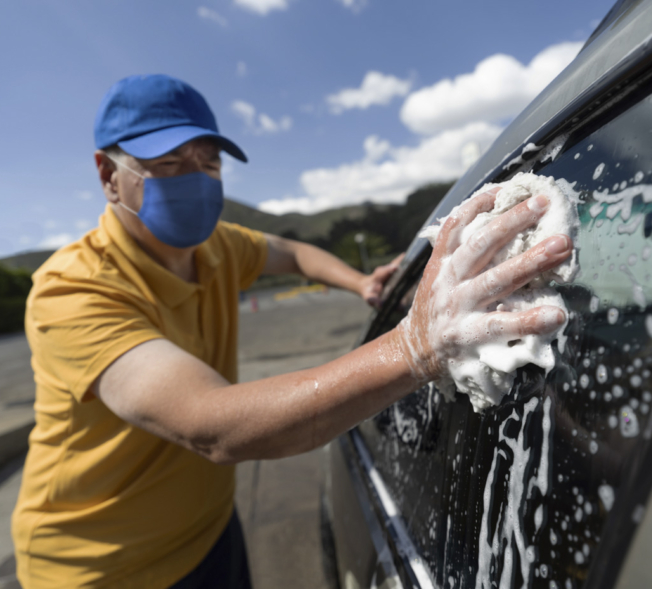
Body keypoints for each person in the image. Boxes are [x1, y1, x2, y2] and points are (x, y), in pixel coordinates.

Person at [12, 74, 573, 589]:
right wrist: (414, 345)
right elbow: (211, 425)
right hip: (100, 567)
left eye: (208, 162)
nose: (198, 178)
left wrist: (360, 284)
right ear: (110, 176)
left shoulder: (218, 246)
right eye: (169, 162)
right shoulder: (72, 291)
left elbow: (294, 252)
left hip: (211, 529)